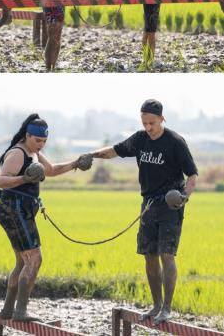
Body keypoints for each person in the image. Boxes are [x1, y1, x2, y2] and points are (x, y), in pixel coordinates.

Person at [77, 99, 198, 325]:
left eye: (152, 123)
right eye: (144, 123)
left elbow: (192, 175)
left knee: (166, 255)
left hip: (170, 206)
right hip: (148, 206)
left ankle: (167, 308)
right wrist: (92, 154)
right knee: (149, 256)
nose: (148, 127)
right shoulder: (140, 139)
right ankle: (156, 305)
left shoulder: (175, 142)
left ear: (162, 119)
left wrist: (184, 198)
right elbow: (115, 150)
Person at [0, 114, 86, 320]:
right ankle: (20, 311)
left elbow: (51, 170)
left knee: (22, 262)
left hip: (22, 209)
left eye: (44, 141)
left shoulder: (33, 152)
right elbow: (1, 180)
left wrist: (76, 163)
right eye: (37, 140)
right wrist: (25, 178)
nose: (41, 145)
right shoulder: (19, 152)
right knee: (35, 259)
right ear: (27, 136)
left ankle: (9, 310)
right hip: (14, 208)